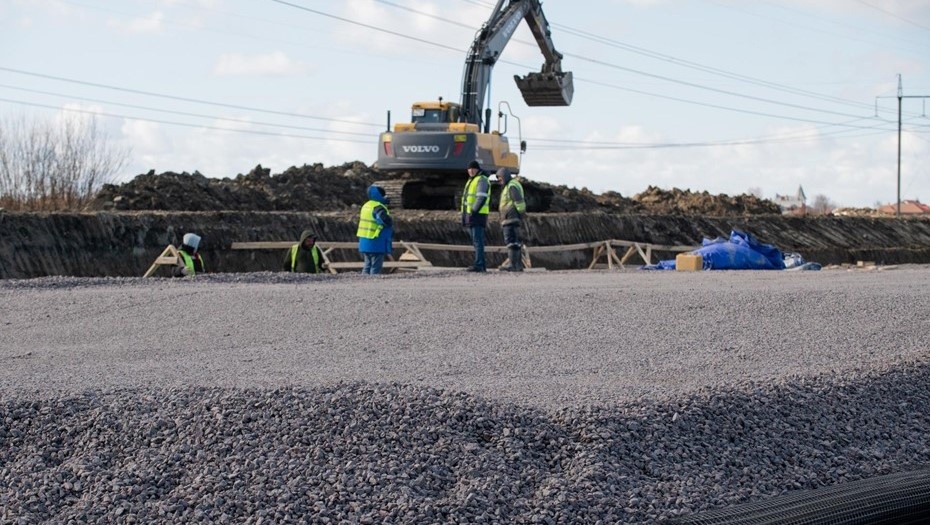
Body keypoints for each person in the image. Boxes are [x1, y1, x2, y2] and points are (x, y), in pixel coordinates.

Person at [461, 160, 490, 272]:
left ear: (477, 169)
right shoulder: (472, 180)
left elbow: (481, 197)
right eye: (469, 169)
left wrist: (473, 211)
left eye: (473, 169)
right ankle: (480, 264)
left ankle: (479, 264)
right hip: (472, 214)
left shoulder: (481, 180)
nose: (471, 171)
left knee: (478, 240)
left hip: (477, 215)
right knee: (476, 240)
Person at [357, 184, 393, 275]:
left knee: (367, 265)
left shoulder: (366, 205)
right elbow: (385, 221)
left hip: (365, 241)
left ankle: (363, 284)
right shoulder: (378, 207)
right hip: (376, 241)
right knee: (375, 267)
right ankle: (372, 286)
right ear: (379, 195)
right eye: (384, 195)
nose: (386, 197)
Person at [497, 167, 526, 272]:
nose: (499, 181)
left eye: (500, 178)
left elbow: (518, 201)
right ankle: (518, 265)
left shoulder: (511, 186)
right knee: (515, 242)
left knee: (511, 242)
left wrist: (521, 213)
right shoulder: (511, 185)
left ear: (504, 176)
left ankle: (513, 265)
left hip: (511, 218)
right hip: (511, 218)